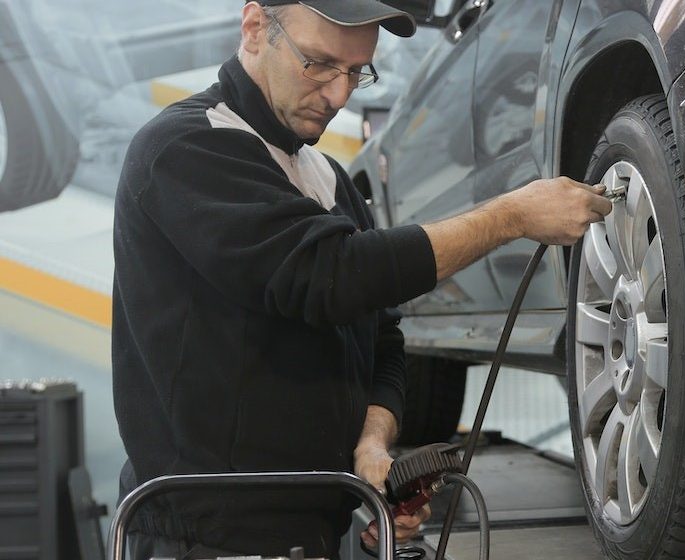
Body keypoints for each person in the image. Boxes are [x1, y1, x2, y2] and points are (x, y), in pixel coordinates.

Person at [111, 0, 612, 557]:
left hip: (318, 531)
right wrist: (510, 216)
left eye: (356, 71)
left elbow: (384, 339)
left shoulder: (328, 181)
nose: (340, 94)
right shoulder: (184, 147)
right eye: (320, 64)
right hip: (206, 538)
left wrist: (371, 448)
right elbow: (325, 276)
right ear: (255, 29)